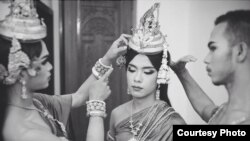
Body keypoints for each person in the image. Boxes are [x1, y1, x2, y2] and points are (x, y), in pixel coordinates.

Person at [0, 0, 129, 141]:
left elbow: (78, 96)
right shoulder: (25, 134)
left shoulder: (37, 102)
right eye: (43, 62)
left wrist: (108, 57)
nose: (50, 67)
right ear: (22, 73)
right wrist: (96, 105)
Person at [107, 3, 186, 141]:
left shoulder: (173, 123)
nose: (137, 78)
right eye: (132, 70)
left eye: (148, 72)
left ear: (160, 75)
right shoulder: (117, 114)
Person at [170, 10, 250, 124]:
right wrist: (181, 72)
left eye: (213, 48)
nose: (206, 59)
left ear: (240, 51)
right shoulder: (223, 112)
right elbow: (205, 108)